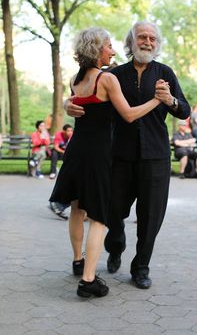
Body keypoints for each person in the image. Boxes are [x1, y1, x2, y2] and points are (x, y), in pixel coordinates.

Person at [64, 21, 191, 290]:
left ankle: (141, 267)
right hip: (118, 155)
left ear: (157, 45)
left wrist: (170, 100)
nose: (147, 42)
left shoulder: (165, 73)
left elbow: (184, 110)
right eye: (141, 37)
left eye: (152, 38)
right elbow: (86, 91)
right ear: (131, 42)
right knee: (111, 211)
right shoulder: (114, 73)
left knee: (150, 216)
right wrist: (67, 103)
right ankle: (116, 246)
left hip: (155, 156)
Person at [50, 26, 163, 298]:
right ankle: (89, 280)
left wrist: (67, 103)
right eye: (109, 46)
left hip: (75, 151)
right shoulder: (107, 80)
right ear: (98, 48)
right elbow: (129, 115)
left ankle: (78, 261)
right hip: (98, 154)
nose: (113, 50)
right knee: (99, 217)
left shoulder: (75, 80)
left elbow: (77, 101)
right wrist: (156, 100)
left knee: (77, 207)